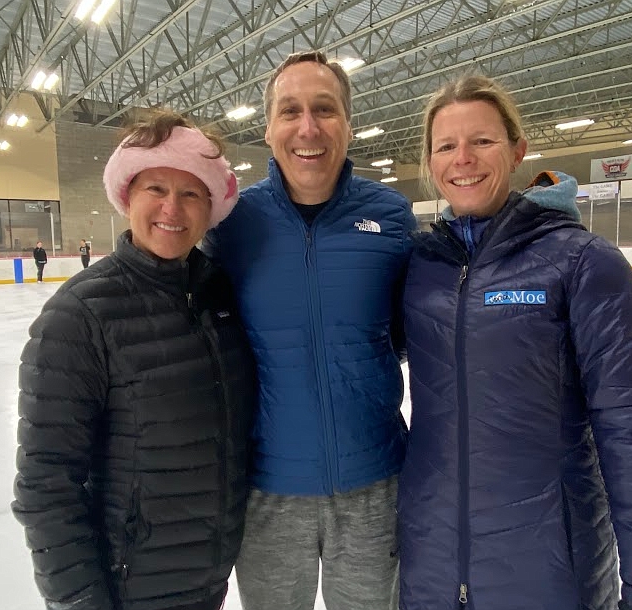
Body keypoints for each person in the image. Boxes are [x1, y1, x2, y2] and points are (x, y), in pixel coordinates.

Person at [397, 74, 632, 610]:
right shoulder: (420, 267)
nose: (463, 158)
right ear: (431, 163)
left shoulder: (582, 263)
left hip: (550, 571)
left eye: (482, 141)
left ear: (517, 150)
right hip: (432, 567)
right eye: (446, 146)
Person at [12, 111, 257, 610]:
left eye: (191, 193)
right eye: (156, 188)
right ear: (127, 196)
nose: (173, 208)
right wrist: (80, 600)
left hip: (206, 581)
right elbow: (46, 483)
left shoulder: (220, 295)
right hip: (126, 588)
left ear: (210, 208)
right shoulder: (79, 314)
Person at [202, 51, 416, 610]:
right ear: (268, 128)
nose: (308, 127)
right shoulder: (231, 224)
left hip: (374, 485)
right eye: (289, 111)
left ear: (348, 123)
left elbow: (408, 331)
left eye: (325, 109)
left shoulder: (391, 216)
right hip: (267, 492)